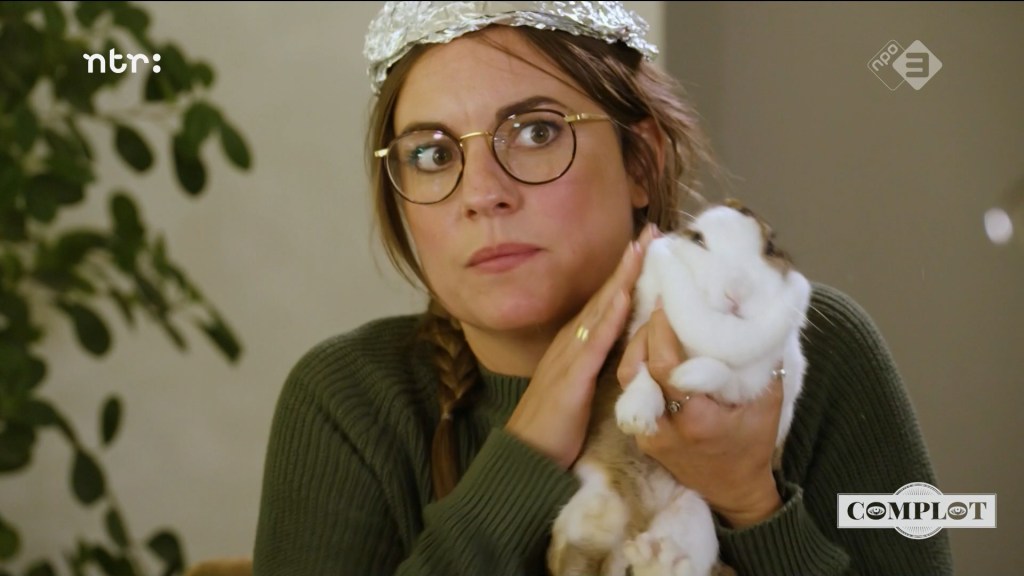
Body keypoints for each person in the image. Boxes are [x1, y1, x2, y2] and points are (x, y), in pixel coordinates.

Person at [253, 2, 954, 575]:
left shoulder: (812, 348)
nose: (482, 193)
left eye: (535, 132)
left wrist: (749, 501)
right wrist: (520, 466)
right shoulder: (346, 399)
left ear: (641, 162)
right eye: (433, 154)